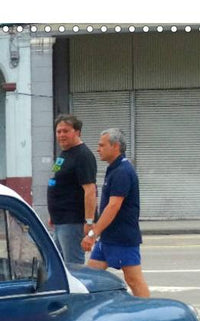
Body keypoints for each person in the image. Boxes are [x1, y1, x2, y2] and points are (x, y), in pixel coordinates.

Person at [82, 128, 150, 298]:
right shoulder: (113, 168)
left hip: (123, 238)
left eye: (102, 145)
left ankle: (148, 313)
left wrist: (93, 233)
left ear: (116, 146)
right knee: (90, 277)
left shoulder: (123, 171)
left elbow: (113, 206)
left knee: (134, 280)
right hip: (108, 239)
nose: (98, 149)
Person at [46, 114, 97, 265]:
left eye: (66, 131)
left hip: (73, 221)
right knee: (58, 265)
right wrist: (52, 214)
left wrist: (89, 221)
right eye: (58, 131)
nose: (61, 135)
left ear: (77, 132)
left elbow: (90, 190)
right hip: (60, 220)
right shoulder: (65, 153)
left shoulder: (83, 155)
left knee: (73, 266)